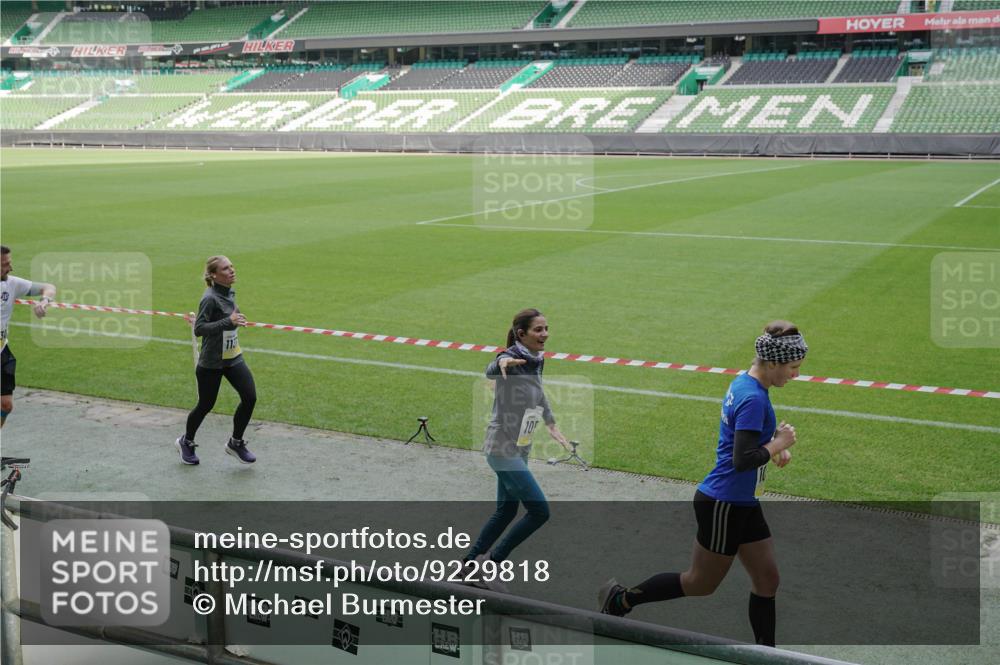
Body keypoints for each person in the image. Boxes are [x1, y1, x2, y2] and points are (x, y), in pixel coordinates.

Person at [599, 321, 808, 647]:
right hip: (725, 503)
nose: (795, 374)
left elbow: (745, 442)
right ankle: (620, 599)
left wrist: (772, 447)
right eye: (793, 367)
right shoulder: (753, 397)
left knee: (768, 579)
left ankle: (768, 654)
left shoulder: (746, 384)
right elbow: (741, 460)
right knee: (699, 583)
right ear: (772, 362)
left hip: (742, 502)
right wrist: (777, 444)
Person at [463, 308, 571, 589]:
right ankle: (489, 564)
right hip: (502, 446)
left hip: (521, 445)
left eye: (547, 328)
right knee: (539, 511)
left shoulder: (537, 358)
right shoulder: (511, 357)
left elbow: (538, 391)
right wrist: (501, 363)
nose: (545, 334)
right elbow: (494, 365)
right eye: (538, 330)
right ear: (521, 334)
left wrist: (552, 424)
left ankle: (467, 567)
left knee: (506, 511)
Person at [176, 256, 257, 465]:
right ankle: (186, 441)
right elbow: (200, 329)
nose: (232, 270)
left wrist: (237, 318)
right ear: (214, 275)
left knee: (250, 397)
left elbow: (228, 315)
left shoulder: (228, 291)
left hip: (233, 357)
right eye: (226, 268)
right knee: (205, 405)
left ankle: (235, 443)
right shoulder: (209, 298)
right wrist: (227, 321)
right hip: (212, 362)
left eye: (232, 266)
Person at [1, 245, 56, 428]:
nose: (10, 268)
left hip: (1, 350)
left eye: (9, 262)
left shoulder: (12, 283)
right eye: (4, 264)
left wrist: (45, 301)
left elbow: (49, 287)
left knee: (6, 405)